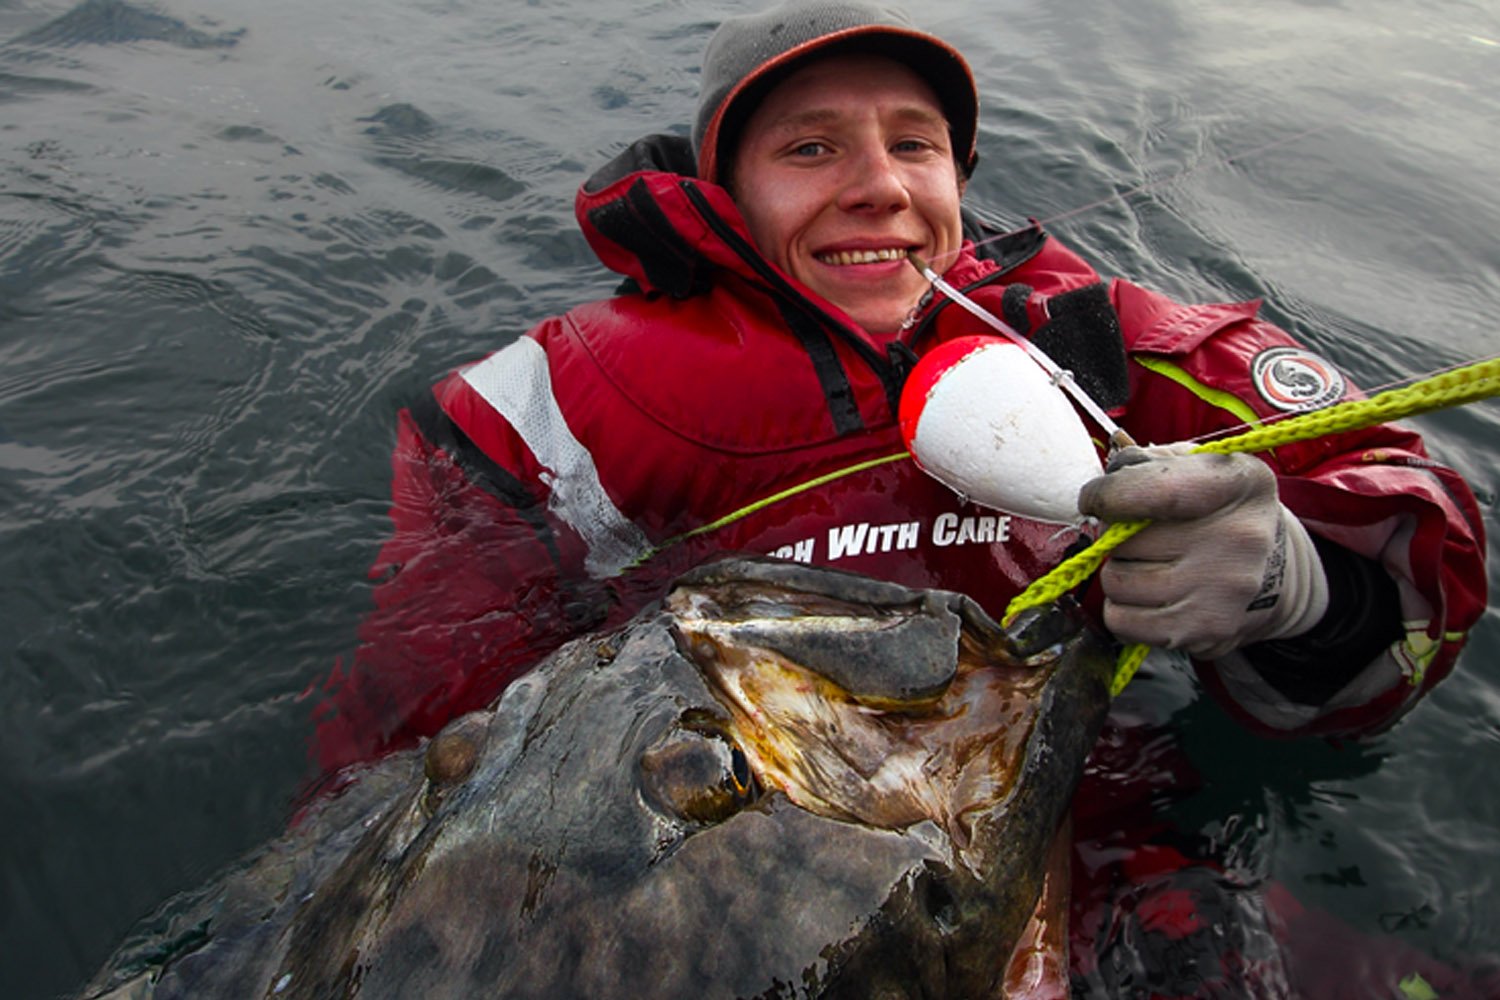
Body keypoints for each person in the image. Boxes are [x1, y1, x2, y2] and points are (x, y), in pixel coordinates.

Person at [310, 1, 1488, 993]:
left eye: (915, 146)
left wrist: (1302, 587)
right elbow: (426, 733)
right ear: (724, 190)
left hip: (1120, 845)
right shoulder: (561, 403)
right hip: (733, 882)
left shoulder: (1104, 348)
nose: (879, 187)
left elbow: (1408, 506)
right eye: (811, 149)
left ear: (960, 178)